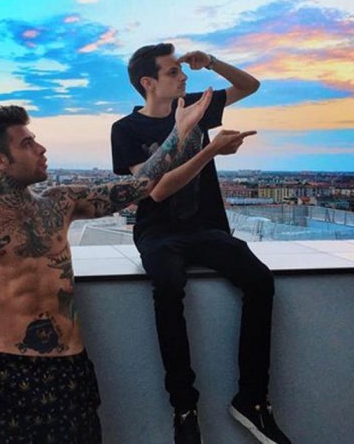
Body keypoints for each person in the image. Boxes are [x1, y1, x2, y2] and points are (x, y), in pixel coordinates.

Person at [0, 92, 212, 444]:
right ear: (0, 161)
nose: (41, 149)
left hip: (71, 369)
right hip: (8, 370)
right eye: (27, 144)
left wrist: (179, 132)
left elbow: (138, 186)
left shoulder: (61, 202)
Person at [110, 43, 292, 444]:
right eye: (173, 72)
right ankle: (184, 408)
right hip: (158, 232)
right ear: (148, 82)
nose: (183, 77)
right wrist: (210, 149)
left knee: (260, 281)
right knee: (168, 285)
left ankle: (252, 399)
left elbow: (250, 85)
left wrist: (211, 61)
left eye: (182, 71)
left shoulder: (197, 104)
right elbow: (156, 190)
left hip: (207, 228)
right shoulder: (126, 129)